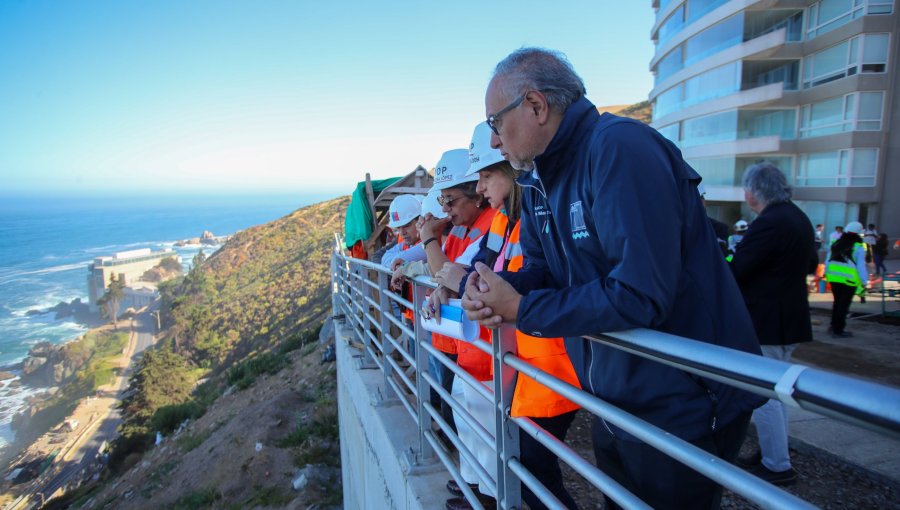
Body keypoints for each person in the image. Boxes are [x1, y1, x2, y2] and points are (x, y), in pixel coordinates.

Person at [462, 47, 764, 510]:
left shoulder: (620, 149)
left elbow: (641, 292)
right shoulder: (540, 179)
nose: (496, 142)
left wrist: (521, 310)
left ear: (537, 106)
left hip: (682, 397)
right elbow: (545, 274)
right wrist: (495, 291)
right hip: (613, 394)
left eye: (495, 124)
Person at [436, 122, 581, 510]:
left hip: (547, 366)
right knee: (531, 468)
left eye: (485, 176)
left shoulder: (534, 217)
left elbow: (518, 280)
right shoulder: (507, 221)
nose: (480, 189)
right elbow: (483, 270)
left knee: (534, 470)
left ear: (510, 172)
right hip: (522, 361)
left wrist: (464, 279)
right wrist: (456, 283)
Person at [729, 163, 817, 486]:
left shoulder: (770, 223)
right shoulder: (796, 217)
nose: (745, 194)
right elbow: (810, 263)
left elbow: (738, 269)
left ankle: (777, 465)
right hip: (787, 320)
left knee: (764, 395)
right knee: (774, 393)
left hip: (767, 322)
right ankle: (773, 453)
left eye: (746, 188)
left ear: (755, 191)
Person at [419, 148, 498, 509]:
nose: (447, 210)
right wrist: (442, 285)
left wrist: (429, 239)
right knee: (468, 423)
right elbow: (446, 277)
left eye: (450, 200)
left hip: (489, 351)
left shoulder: (490, 226)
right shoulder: (467, 230)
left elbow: (450, 273)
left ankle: (484, 496)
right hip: (470, 348)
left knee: (492, 438)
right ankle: (475, 489)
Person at [825, 221, 868, 337]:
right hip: (849, 280)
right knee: (843, 305)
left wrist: (825, 273)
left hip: (834, 278)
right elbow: (861, 266)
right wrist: (864, 281)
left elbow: (828, 260)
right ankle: (838, 330)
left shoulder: (835, 243)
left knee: (837, 303)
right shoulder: (858, 247)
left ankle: (833, 326)